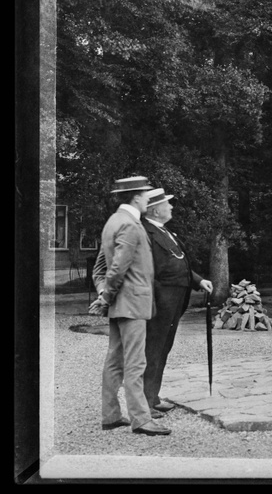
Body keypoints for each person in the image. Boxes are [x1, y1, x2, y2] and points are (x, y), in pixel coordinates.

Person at [91, 175, 168, 435]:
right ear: (136, 197)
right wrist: (106, 297)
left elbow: (100, 268)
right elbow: (116, 269)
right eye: (147, 194)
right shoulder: (132, 225)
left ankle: (111, 415)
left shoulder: (113, 222)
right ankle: (141, 420)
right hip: (132, 304)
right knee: (136, 363)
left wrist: (104, 295)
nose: (149, 198)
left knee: (114, 361)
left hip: (121, 305)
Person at [140, 189, 213, 417]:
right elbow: (146, 271)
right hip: (159, 302)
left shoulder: (165, 232)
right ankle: (143, 404)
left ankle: (153, 397)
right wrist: (151, 301)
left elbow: (178, 265)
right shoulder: (146, 232)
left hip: (173, 302)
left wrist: (199, 280)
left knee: (163, 348)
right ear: (155, 209)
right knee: (152, 350)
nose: (171, 208)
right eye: (167, 204)